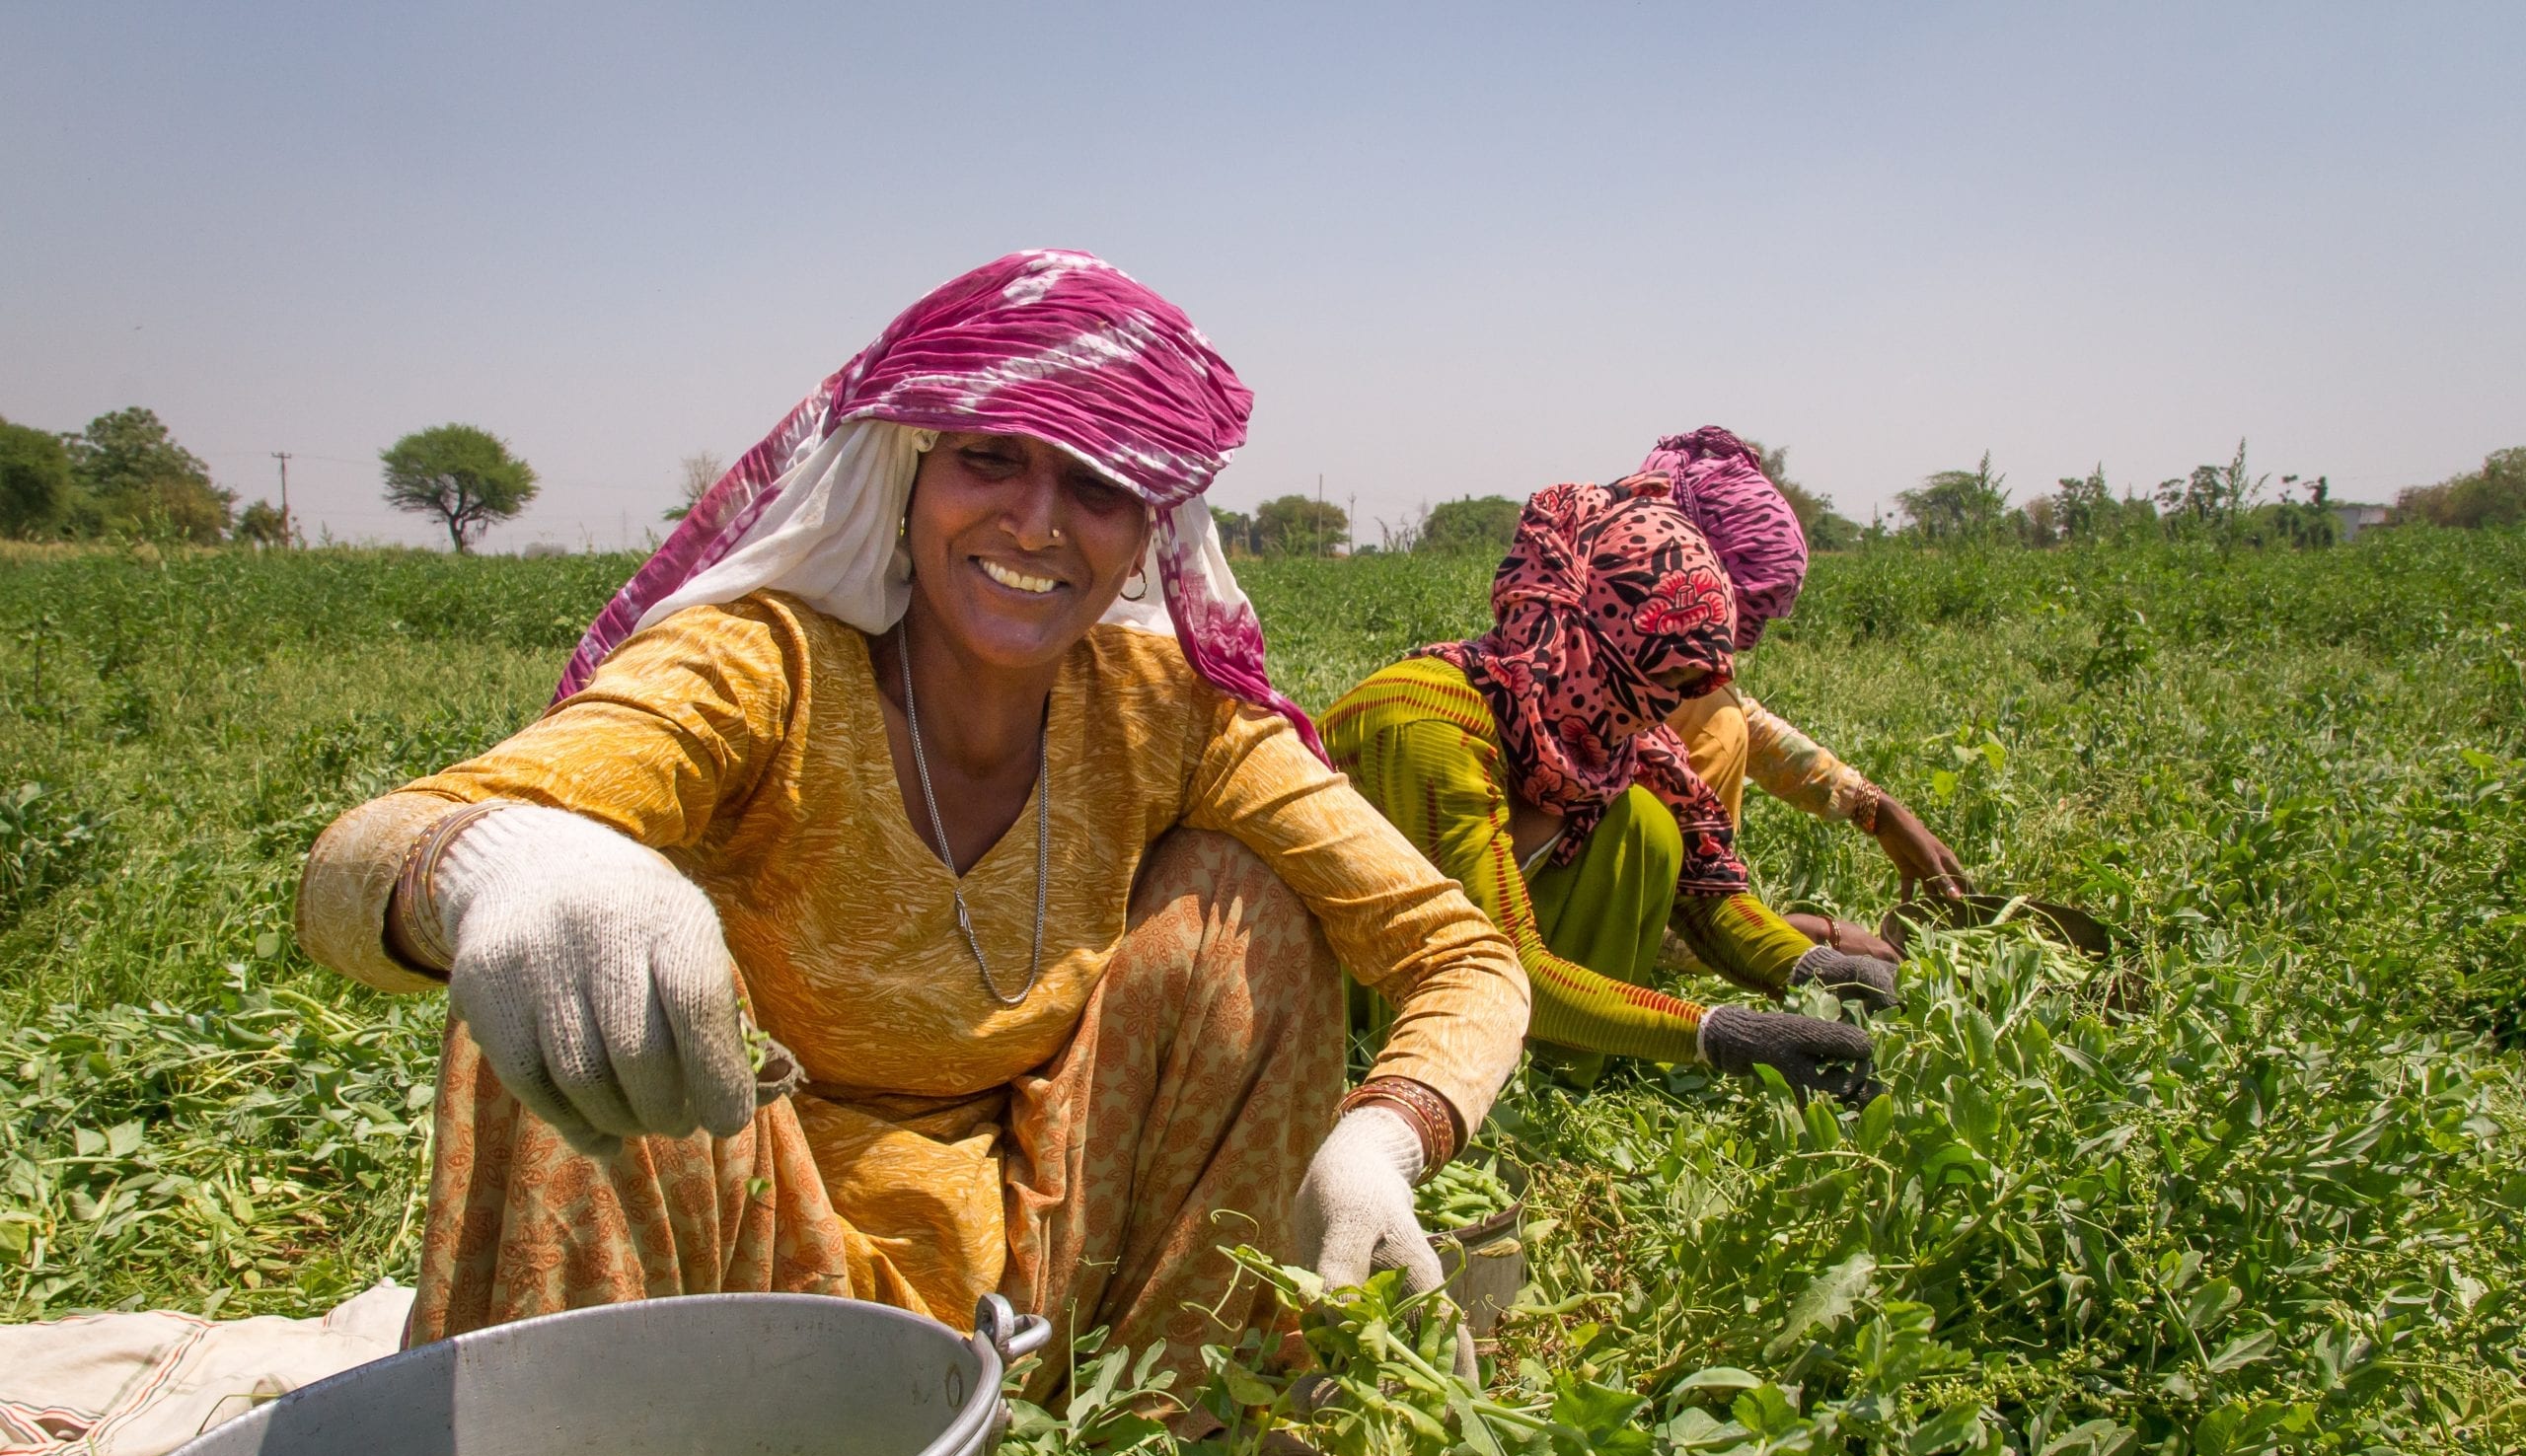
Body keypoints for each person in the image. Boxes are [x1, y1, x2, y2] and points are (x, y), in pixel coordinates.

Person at [296, 252, 1529, 1394]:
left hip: (1049, 1264)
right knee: (577, 966)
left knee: (1242, 905)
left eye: (1097, 487)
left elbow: (1460, 953)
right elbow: (368, 854)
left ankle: (1172, 1442)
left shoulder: (1167, 718)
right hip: (743, 1260)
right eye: (990, 459)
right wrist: (503, 869)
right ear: (908, 476)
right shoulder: (764, 673)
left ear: (1145, 536)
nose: (1037, 524)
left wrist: (1382, 1138)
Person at [1321, 473, 1886, 1094]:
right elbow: (1498, 965)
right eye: (1663, 680)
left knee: (1644, 825)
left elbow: (1710, 901)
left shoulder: (1603, 746)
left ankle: (1552, 1088)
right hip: (1330, 991)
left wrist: (1816, 968)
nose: (1665, 710)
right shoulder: (1430, 726)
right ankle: (1402, 1086)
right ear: (1591, 639)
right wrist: (1718, 1034)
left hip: (1473, 971)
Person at [1639, 428, 1969, 963]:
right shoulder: (1570, 718)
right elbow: (1591, 932)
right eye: (1743, 615)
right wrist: (1805, 935)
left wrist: (1872, 806)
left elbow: (1728, 715)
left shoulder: (1625, 655)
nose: (1741, 644)